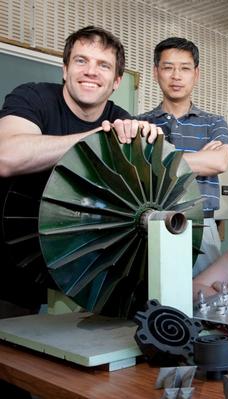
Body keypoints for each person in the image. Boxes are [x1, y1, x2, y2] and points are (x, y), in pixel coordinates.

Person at [0, 26, 160, 319]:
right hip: (10, 277)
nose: (91, 71)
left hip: (81, 277)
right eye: (81, 60)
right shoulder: (32, 98)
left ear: (116, 81)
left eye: (103, 65)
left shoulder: (122, 120)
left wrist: (151, 142)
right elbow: (6, 157)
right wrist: (96, 138)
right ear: (65, 69)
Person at [137, 37, 228, 277]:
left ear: (196, 74)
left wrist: (155, 163)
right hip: (149, 225)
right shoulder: (140, 123)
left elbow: (219, 161)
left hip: (202, 225)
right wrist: (199, 159)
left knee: (203, 300)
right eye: (168, 67)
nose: (176, 76)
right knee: (151, 299)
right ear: (156, 72)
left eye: (185, 68)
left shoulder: (214, 122)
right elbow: (137, 172)